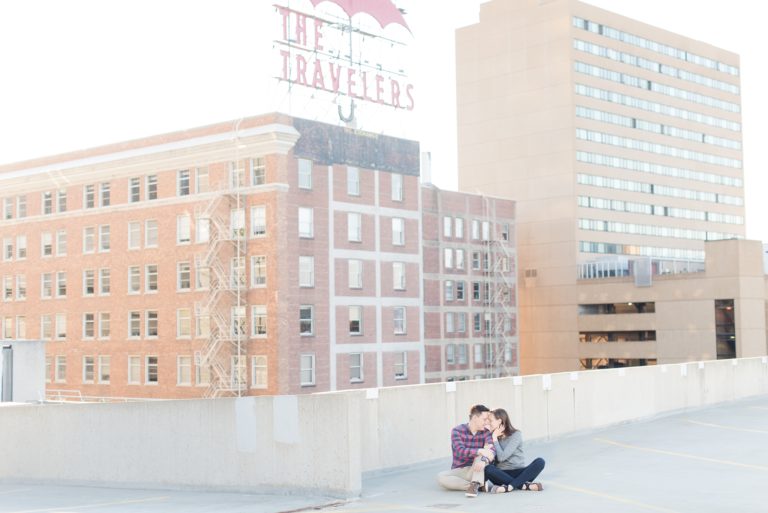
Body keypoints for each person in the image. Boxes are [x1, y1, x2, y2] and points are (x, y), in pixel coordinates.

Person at [437, 404, 495, 497]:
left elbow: (491, 451)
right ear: (475, 417)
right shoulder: (457, 431)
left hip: (477, 469)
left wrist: (484, 460)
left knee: (481, 456)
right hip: (460, 470)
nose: (486, 423)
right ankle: (477, 486)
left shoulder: (486, 433)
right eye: (484, 419)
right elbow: (460, 450)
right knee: (441, 477)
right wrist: (479, 451)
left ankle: (475, 483)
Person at [483, 408, 545, 492]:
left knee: (540, 462)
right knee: (488, 469)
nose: (488, 423)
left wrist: (495, 439)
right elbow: (495, 458)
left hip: (520, 473)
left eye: (491, 421)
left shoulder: (516, 434)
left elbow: (502, 457)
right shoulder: (490, 436)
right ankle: (523, 486)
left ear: (499, 421)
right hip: (501, 474)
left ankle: (508, 487)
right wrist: (493, 438)